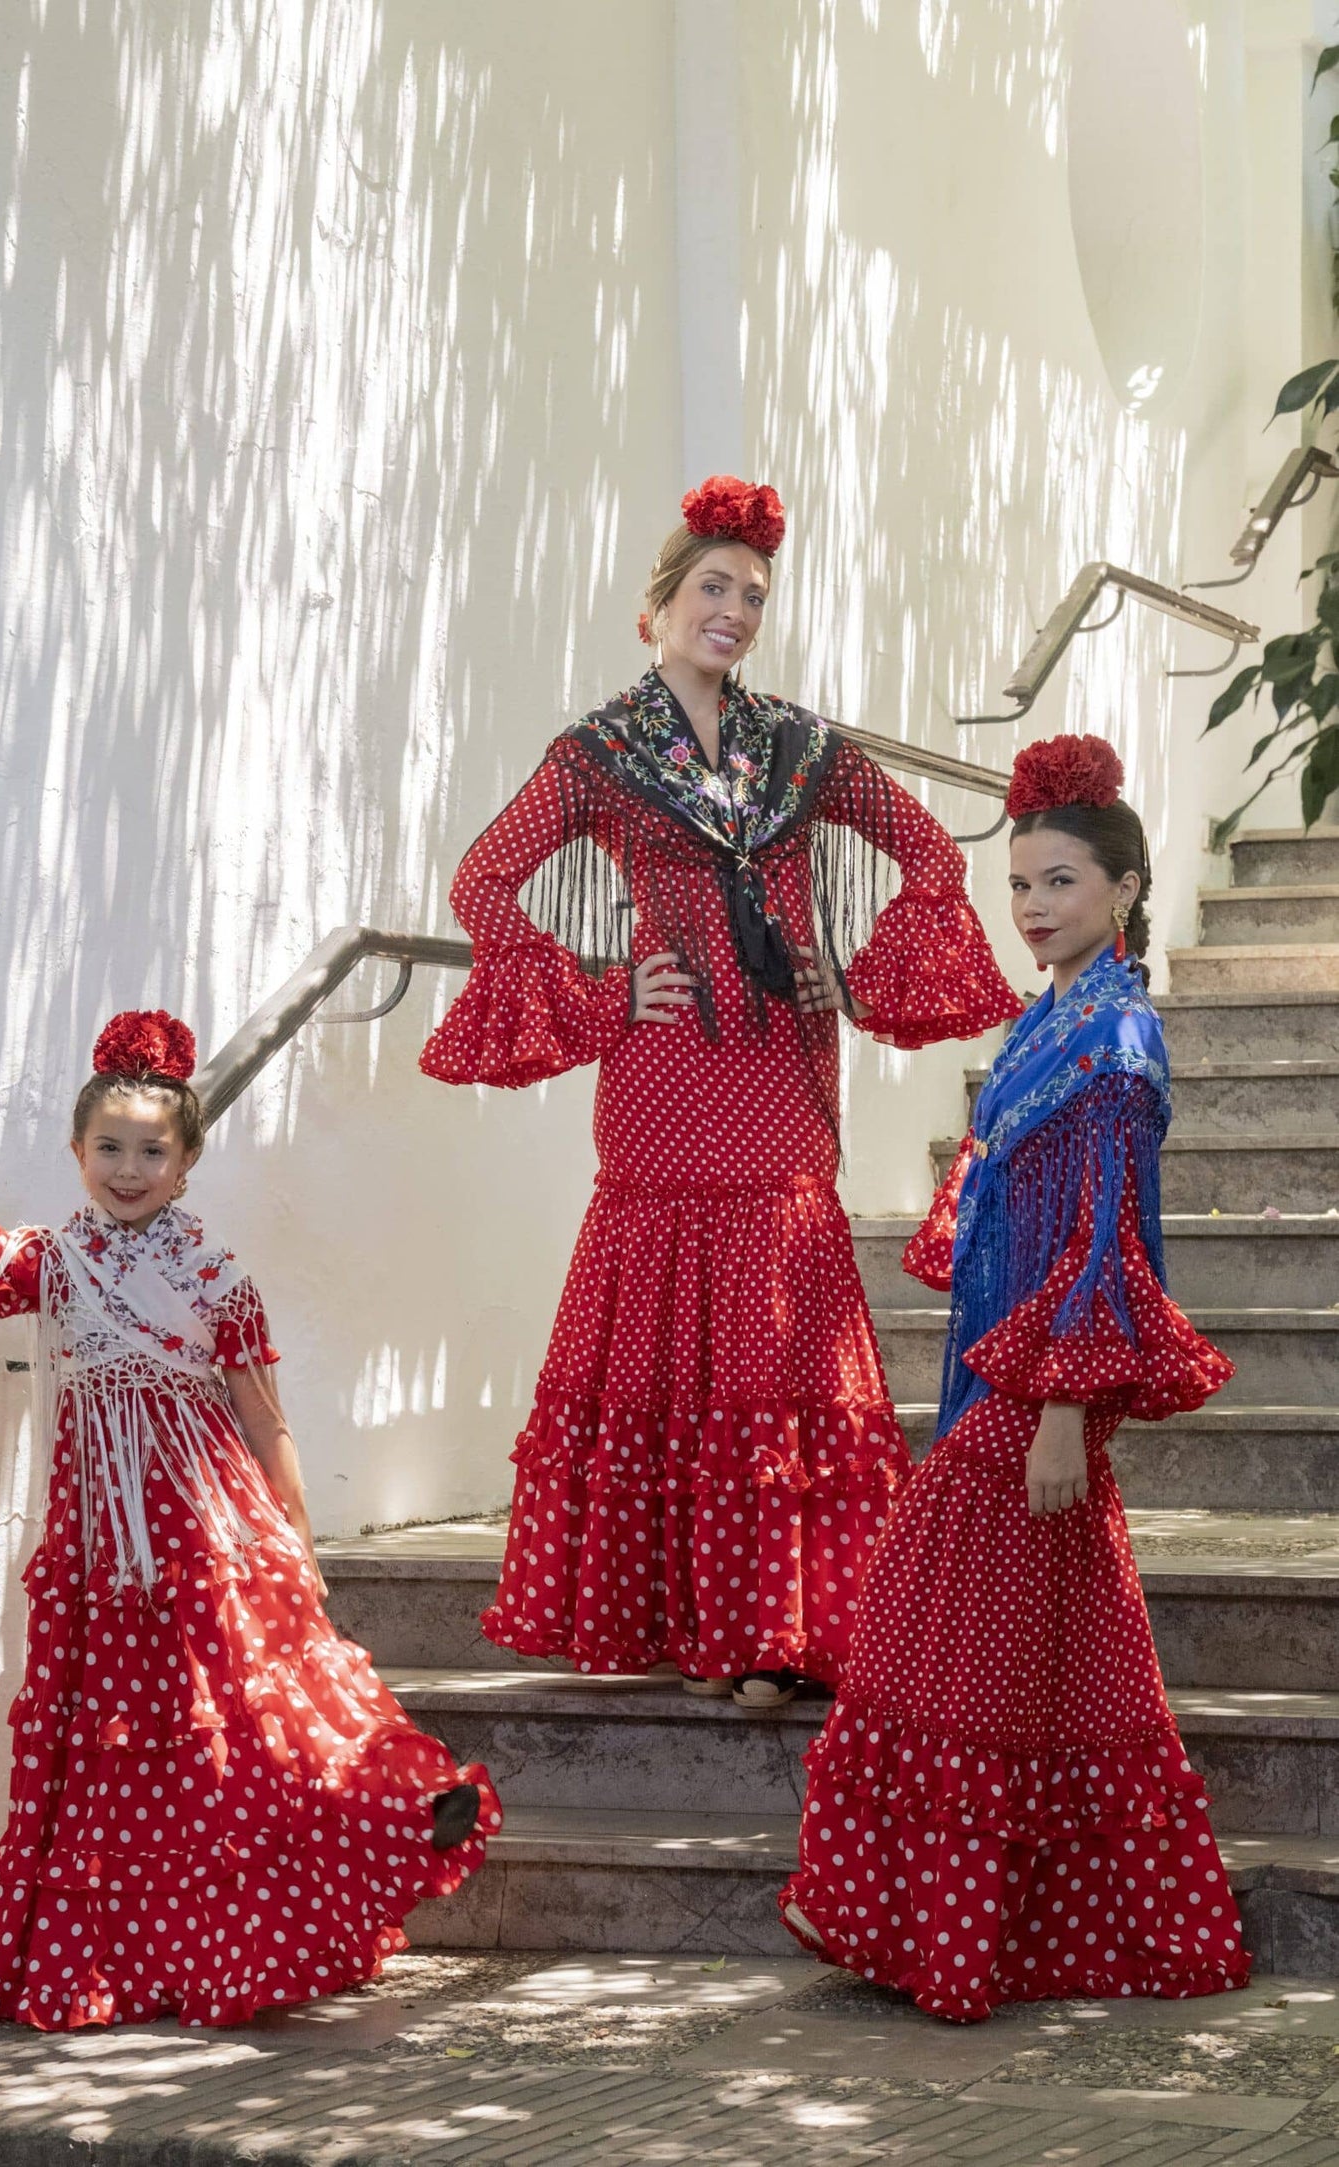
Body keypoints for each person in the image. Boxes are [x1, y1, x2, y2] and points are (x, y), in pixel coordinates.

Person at [421, 476, 1020, 1710]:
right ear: (658, 605)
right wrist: (598, 994)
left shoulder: (798, 747)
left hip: (780, 1069)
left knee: (774, 1316)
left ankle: (776, 1630)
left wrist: (846, 971)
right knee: (671, 1324)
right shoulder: (596, 753)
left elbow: (920, 846)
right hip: (661, 1072)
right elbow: (481, 881)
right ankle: (686, 1618)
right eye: (712, 587)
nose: (733, 609)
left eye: (752, 594)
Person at [0, 1009, 499, 2030]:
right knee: (130, 1750)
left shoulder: (218, 1280)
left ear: (185, 1164)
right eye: (109, 1148)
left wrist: (295, 1535)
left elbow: (265, 1420)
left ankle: (406, 1804)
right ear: (78, 1153)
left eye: (151, 1151)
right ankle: (143, 1961)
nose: (128, 1169)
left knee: (260, 1718)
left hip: (209, 1531)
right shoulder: (51, 1259)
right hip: (102, 1554)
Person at [780, 733, 1250, 2019]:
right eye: (1021, 886)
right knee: (1048, 1660)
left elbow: (1106, 1242)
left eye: (1060, 883)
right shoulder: (1049, 1017)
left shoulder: (1117, 1044)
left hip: (1031, 1392)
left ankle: (970, 1938)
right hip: (990, 1369)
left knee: (971, 1656)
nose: (1035, 908)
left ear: (1124, 889)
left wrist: (1057, 1414)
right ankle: (1017, 1928)